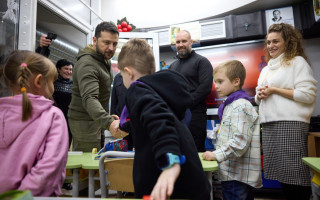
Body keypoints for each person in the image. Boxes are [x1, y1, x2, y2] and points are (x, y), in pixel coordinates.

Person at [113, 38, 211, 200]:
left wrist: (170, 165)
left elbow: (160, 121)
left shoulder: (137, 89)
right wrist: (126, 124)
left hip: (169, 186)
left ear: (129, 73)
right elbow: (151, 117)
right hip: (192, 185)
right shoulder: (160, 92)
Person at [255, 23, 317, 200]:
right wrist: (259, 95)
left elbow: (308, 95)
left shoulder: (297, 62)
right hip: (269, 125)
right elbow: (258, 98)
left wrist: (274, 90)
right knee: (283, 177)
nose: (271, 45)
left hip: (290, 124)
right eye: (268, 42)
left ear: (288, 42)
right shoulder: (266, 69)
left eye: (276, 41)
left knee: (296, 177)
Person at [0, 50, 69, 196]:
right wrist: (20, 197)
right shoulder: (53, 116)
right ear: (38, 81)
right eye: (52, 81)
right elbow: (50, 166)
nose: (53, 87)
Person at [202, 60, 262, 200]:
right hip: (233, 173)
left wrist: (216, 154)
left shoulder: (239, 106)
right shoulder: (231, 104)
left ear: (236, 82)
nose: (216, 86)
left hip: (237, 175)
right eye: (215, 82)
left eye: (220, 81)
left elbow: (239, 142)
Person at [67, 21, 120, 152]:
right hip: (85, 123)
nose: (111, 48)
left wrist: (106, 117)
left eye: (114, 44)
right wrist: (109, 122)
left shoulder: (102, 60)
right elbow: (90, 98)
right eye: (106, 42)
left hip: (95, 120)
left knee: (96, 162)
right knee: (87, 168)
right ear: (95, 40)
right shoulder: (88, 64)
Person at [169, 30, 213, 152]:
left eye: (184, 41)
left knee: (195, 151)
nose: (181, 44)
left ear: (191, 42)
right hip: (177, 117)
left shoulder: (202, 62)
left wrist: (185, 103)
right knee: (179, 151)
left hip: (196, 116)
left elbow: (205, 88)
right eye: (178, 42)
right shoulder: (173, 66)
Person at [52, 59, 73, 147]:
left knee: (66, 143)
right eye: (66, 69)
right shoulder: (52, 83)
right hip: (55, 118)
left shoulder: (74, 85)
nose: (69, 71)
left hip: (69, 119)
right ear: (58, 69)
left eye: (70, 69)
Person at [110, 73, 133, 150]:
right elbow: (114, 100)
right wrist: (112, 118)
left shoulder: (138, 75)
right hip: (121, 123)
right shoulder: (118, 77)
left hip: (136, 122)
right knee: (125, 149)